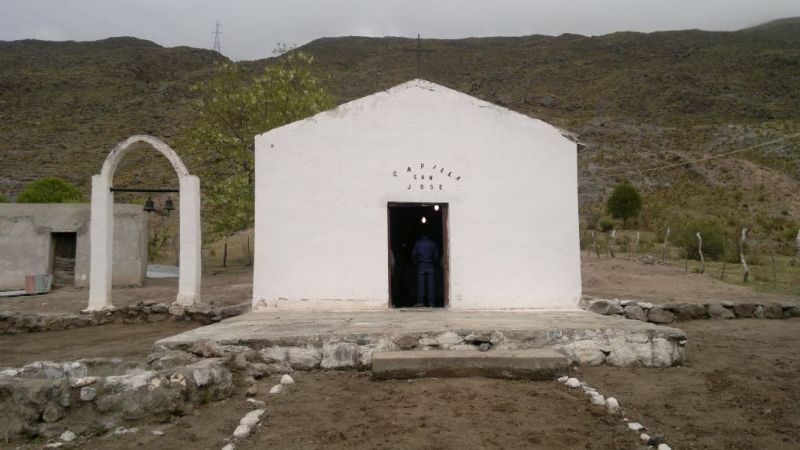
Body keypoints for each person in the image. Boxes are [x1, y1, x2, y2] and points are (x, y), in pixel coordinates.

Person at [412, 231, 439, 307]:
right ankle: (431, 302)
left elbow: (413, 255)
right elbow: (436, 256)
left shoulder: (417, 243)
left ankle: (421, 302)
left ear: (421, 235)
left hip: (421, 265)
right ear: (429, 235)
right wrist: (434, 263)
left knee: (421, 284)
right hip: (430, 265)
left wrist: (415, 262)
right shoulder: (433, 243)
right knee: (431, 284)